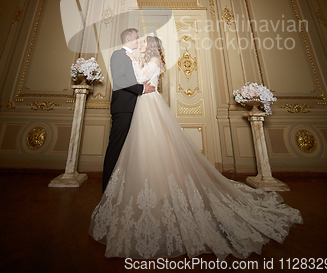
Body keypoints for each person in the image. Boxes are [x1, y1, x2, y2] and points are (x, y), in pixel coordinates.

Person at [91, 35, 302, 260]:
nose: (140, 44)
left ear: (150, 46)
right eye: (138, 41)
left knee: (156, 147)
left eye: (143, 42)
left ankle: (165, 189)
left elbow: (140, 78)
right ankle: (152, 186)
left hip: (149, 105)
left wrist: (133, 60)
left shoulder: (152, 60)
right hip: (143, 105)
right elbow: (137, 81)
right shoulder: (147, 58)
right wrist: (134, 62)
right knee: (146, 149)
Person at [102, 28, 155, 192]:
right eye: (137, 38)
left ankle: (122, 188)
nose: (139, 41)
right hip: (123, 109)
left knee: (129, 150)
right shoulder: (118, 54)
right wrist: (142, 89)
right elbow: (119, 80)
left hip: (134, 108)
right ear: (129, 38)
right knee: (116, 148)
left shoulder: (131, 57)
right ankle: (107, 189)